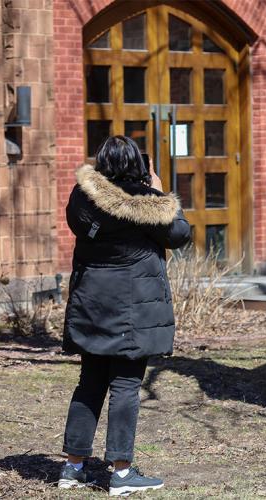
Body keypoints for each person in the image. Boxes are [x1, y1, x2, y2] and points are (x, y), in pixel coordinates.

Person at [58, 136, 191, 495]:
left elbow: (84, 225)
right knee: (126, 386)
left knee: (90, 382)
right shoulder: (147, 202)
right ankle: (120, 472)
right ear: (139, 164)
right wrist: (161, 193)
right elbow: (179, 233)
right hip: (134, 308)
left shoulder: (80, 197)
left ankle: (73, 467)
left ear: (101, 163)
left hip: (91, 304)